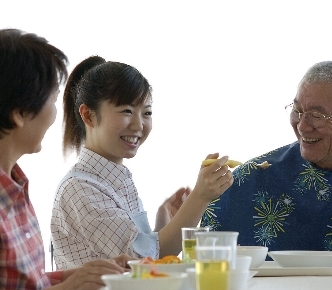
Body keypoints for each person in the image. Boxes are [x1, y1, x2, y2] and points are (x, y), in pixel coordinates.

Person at [0, 29, 135, 290]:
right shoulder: (78, 187)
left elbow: (24, 287)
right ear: (20, 113)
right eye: (52, 99)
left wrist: (82, 275)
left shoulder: (14, 188)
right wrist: (68, 289)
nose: (56, 113)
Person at [50, 55, 233, 270]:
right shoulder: (80, 190)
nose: (138, 125)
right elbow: (143, 264)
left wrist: (162, 227)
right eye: (127, 111)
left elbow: (147, 257)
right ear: (89, 116)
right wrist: (200, 197)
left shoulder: (112, 178)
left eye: (146, 112)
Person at [201, 61, 332, 271]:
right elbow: (204, 268)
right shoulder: (248, 181)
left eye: (317, 115)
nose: (302, 126)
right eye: (297, 110)